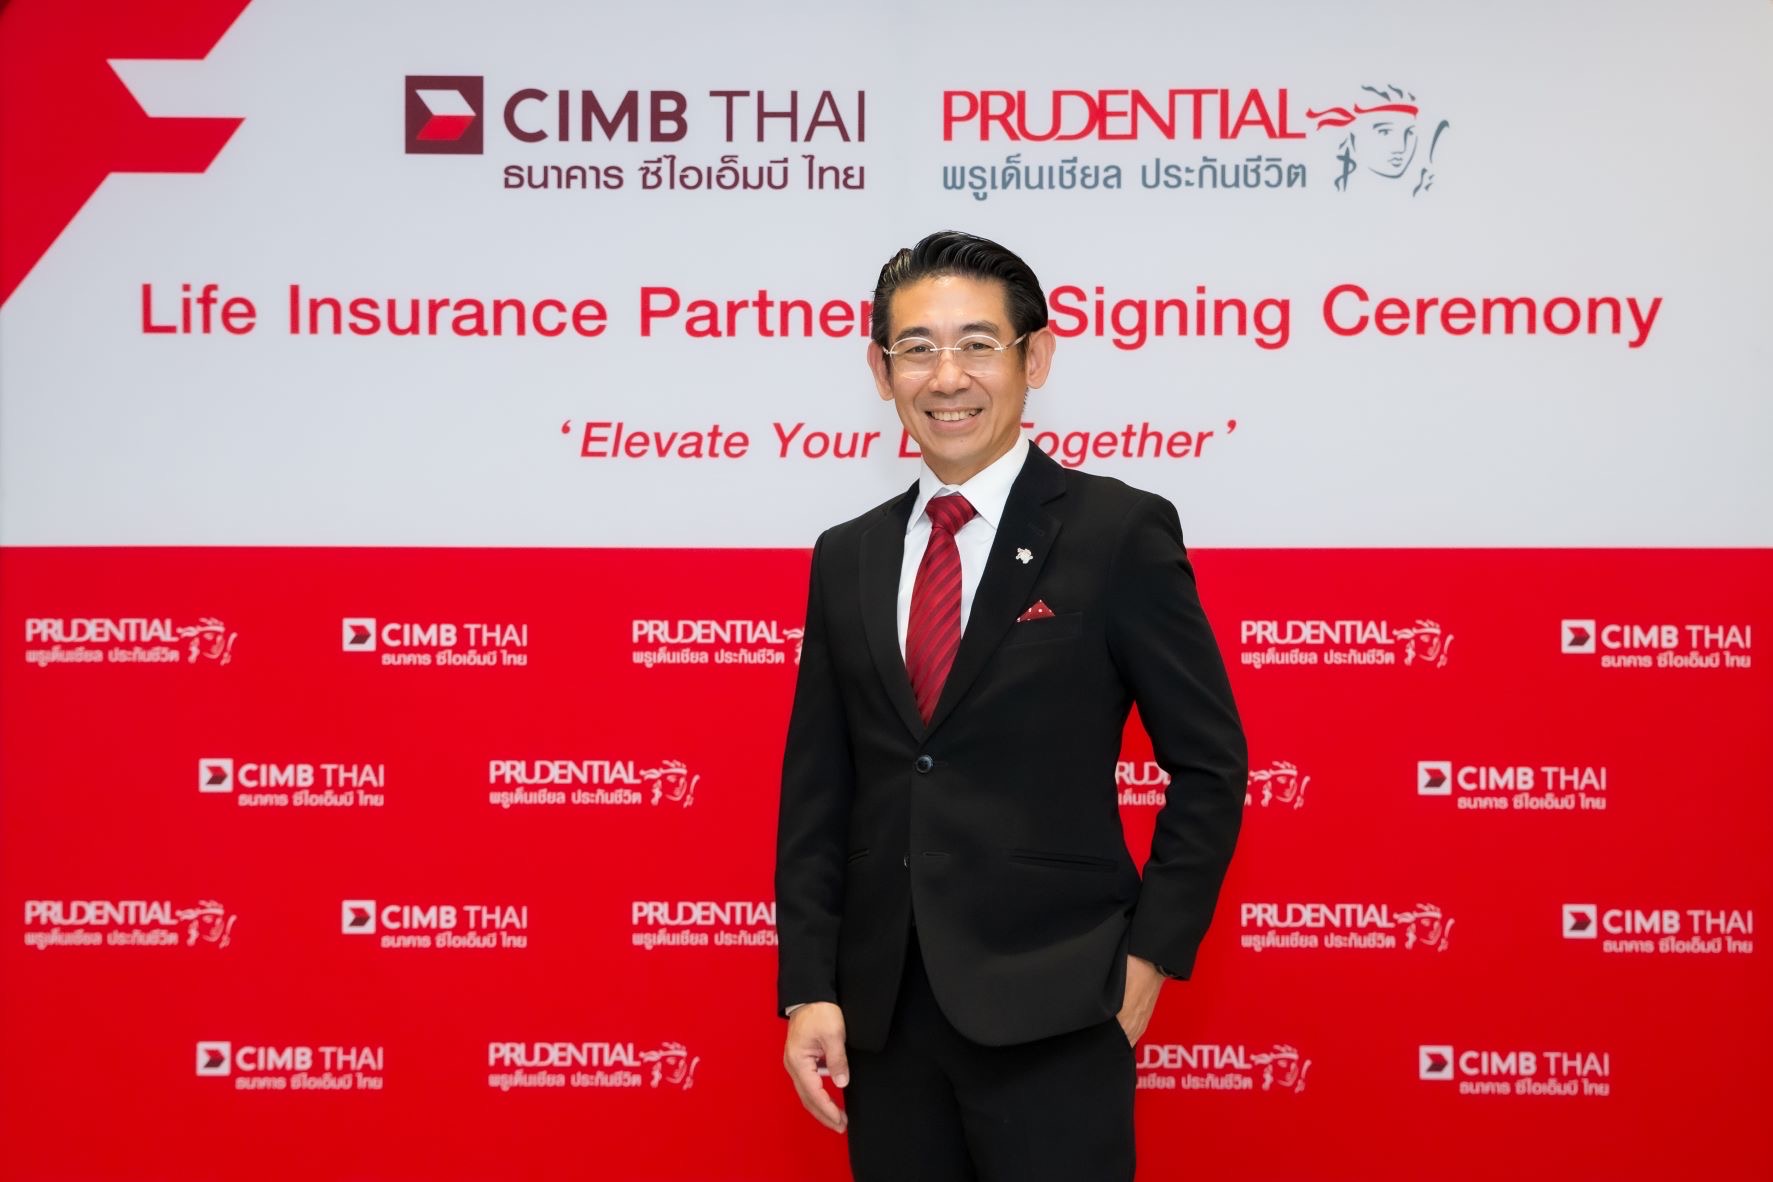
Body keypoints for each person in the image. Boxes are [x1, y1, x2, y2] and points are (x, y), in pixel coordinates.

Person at [775, 230, 1246, 1181]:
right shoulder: (846, 554)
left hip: (1058, 1005)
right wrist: (808, 987)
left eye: (977, 344)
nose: (946, 376)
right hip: (885, 1016)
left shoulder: (1116, 531)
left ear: (1035, 358)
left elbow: (1209, 763)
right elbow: (819, 790)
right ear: (880, 370)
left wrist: (1149, 957)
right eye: (916, 348)